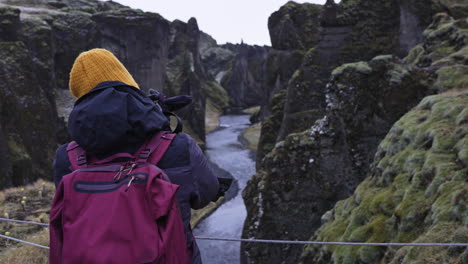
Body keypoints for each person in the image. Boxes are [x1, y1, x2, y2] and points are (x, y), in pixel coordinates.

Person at [53, 48, 219, 263]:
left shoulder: (66, 157)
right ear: (129, 84)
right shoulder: (178, 146)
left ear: (81, 97)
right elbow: (207, 194)